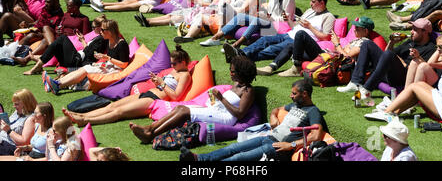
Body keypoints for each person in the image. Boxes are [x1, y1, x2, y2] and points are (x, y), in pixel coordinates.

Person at [179, 79, 327, 161]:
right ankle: (199, 159)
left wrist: (291, 145)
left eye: (294, 94)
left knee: (239, 158)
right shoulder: (295, 105)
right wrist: (273, 117)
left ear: (305, 94)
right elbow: (276, 109)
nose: (291, 96)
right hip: (268, 137)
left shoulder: (313, 112)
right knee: (233, 148)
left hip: (278, 148)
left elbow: (316, 136)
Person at [129, 55, 257, 144]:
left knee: (184, 112)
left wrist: (221, 98)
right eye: (231, 70)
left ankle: (151, 133)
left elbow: (240, 114)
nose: (230, 73)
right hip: (214, 110)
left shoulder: (248, 91)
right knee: (179, 108)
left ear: (242, 72)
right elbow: (219, 103)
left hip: (225, 118)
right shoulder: (236, 85)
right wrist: (213, 98)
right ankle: (150, 129)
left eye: (233, 71)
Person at [62, 45, 192, 126]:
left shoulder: (185, 75)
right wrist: (157, 81)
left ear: (183, 62)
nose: (172, 66)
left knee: (119, 112)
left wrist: (162, 83)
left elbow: (176, 96)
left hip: (153, 100)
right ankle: (83, 116)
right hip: (147, 93)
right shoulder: (176, 71)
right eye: (171, 64)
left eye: (174, 64)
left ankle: (85, 121)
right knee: (112, 105)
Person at [224, 0, 335, 71]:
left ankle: (241, 58)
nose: (310, 4)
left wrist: (310, 26)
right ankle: (241, 53)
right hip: (288, 34)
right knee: (265, 40)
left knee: (272, 49)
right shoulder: (310, 11)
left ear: (322, 3)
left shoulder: (328, 17)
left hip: (296, 41)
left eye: (313, 2)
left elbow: (326, 36)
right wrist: (288, 21)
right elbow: (295, 26)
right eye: (311, 1)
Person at [340, 18, 436, 106]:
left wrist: (398, 59)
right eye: (412, 28)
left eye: (415, 29)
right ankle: (356, 82)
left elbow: (421, 69)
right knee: (367, 44)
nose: (411, 32)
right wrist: (392, 43)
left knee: (389, 55)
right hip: (389, 70)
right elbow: (387, 54)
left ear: (425, 32)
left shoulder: (430, 48)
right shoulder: (410, 42)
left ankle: (366, 89)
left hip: (404, 77)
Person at [364, 34, 442, 124]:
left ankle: (387, 112)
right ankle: (393, 112)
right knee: (418, 84)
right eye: (437, 46)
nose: (438, 49)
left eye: (441, 46)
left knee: (414, 86)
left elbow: (430, 63)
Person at [200, 0, 296, 48]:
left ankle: (237, 44)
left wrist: (268, 16)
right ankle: (215, 38)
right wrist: (265, 13)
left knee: (256, 20)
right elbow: (270, 10)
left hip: (278, 26)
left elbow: (287, 21)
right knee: (241, 16)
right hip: (268, 20)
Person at [43, 19, 129, 95]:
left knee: (86, 69)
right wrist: (103, 58)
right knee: (85, 68)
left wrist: (107, 58)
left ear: (110, 31)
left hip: (115, 70)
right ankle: (56, 83)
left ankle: (57, 85)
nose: (100, 32)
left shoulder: (122, 44)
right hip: (108, 65)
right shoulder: (109, 41)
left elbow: (124, 64)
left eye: (102, 30)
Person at [276, 16, 376, 78]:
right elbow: (343, 51)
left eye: (357, 29)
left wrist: (337, 44)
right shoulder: (356, 40)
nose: (354, 30)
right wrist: (338, 45)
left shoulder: (364, 43)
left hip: (329, 60)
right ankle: (272, 66)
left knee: (301, 34)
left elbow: (347, 58)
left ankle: (296, 69)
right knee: (291, 46)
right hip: (328, 55)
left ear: (366, 31)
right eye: (355, 28)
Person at [21, 14, 108, 75]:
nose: (92, 29)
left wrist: (82, 41)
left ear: (99, 27)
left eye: (93, 27)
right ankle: (39, 64)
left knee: (62, 39)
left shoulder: (101, 39)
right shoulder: (97, 37)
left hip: (77, 61)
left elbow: (90, 54)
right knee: (59, 42)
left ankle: (38, 65)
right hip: (76, 58)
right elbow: (88, 50)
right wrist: (82, 39)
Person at [0, 89, 38, 155]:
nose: (14, 106)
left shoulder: (31, 119)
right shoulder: (17, 112)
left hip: (11, 147)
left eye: (16, 104)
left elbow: (25, 142)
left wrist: (9, 131)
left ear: (25, 104)